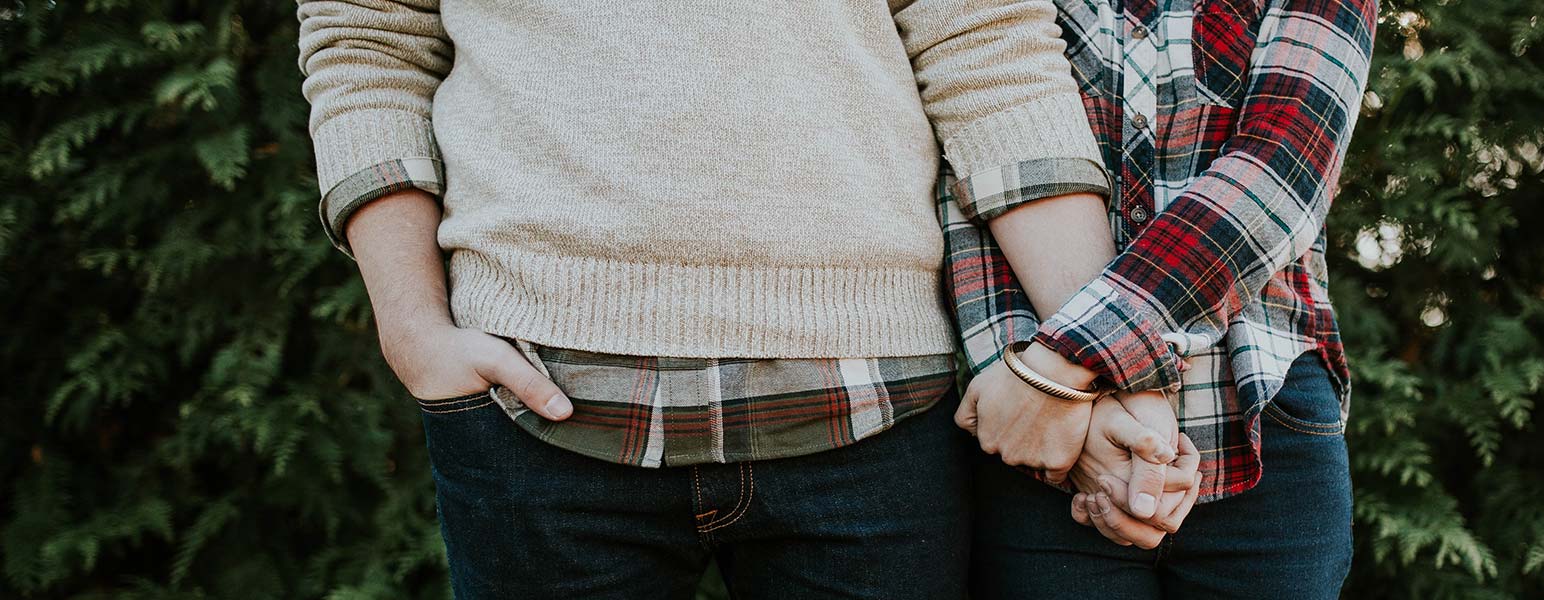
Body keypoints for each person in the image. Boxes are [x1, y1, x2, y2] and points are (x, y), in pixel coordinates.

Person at [294, 1, 1139, 598]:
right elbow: (367, 40)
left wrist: (1093, 361)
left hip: (874, 406)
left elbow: (986, 47)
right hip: (534, 403)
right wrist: (413, 331)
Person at [943, 0, 1380, 597]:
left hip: (1258, 415)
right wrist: (1035, 389)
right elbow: (974, 140)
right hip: (1045, 437)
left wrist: (1063, 364)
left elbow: (1285, 166)